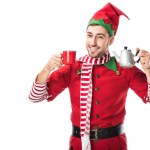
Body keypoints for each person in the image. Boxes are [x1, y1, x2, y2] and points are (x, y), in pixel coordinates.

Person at [29, 2, 150, 150]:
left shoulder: (125, 69)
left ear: (110, 40)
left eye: (99, 37)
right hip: (78, 145)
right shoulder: (73, 68)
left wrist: (148, 70)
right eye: (89, 35)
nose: (92, 42)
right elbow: (35, 97)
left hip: (113, 145)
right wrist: (47, 68)